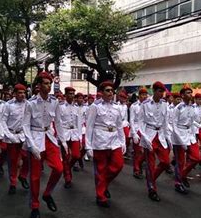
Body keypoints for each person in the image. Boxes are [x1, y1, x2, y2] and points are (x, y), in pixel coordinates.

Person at [23, 72, 67, 218]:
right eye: (46, 83)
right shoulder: (30, 103)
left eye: (50, 83)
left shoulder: (54, 102)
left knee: (59, 168)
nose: (49, 86)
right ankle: (35, 206)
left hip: (49, 137)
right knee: (35, 176)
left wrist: (63, 141)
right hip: (35, 138)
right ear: (39, 85)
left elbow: (59, 123)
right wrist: (31, 145)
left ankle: (47, 193)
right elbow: (25, 125)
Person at [85, 80, 126, 208]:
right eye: (107, 90)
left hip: (114, 140)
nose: (110, 93)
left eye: (112, 90)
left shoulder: (117, 107)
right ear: (101, 93)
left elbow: (119, 126)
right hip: (100, 140)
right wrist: (88, 146)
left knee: (118, 165)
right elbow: (89, 127)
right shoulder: (95, 107)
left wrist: (123, 141)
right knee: (101, 169)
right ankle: (100, 196)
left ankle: (103, 184)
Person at [138, 81, 171, 202]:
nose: (162, 94)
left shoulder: (164, 104)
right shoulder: (146, 104)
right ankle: (152, 188)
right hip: (150, 135)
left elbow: (166, 121)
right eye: (159, 91)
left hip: (160, 135)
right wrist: (144, 137)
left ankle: (151, 178)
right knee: (150, 164)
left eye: (163, 91)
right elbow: (140, 122)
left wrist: (168, 137)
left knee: (166, 162)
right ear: (154, 91)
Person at [171, 87, 201, 194]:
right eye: (188, 93)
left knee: (196, 158)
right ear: (182, 95)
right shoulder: (178, 108)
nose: (190, 94)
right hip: (179, 135)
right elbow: (174, 125)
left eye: (191, 92)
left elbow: (192, 121)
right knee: (180, 162)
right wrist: (180, 140)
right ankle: (177, 183)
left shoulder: (192, 107)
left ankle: (182, 175)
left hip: (189, 134)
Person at [0, 84, 29, 195]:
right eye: (20, 93)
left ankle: (23, 175)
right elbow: (3, 121)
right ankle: (13, 183)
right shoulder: (8, 105)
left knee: (27, 158)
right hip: (11, 135)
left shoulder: (28, 104)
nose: (22, 95)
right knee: (13, 161)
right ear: (15, 94)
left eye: (24, 93)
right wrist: (8, 135)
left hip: (24, 135)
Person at [57, 86, 83, 188]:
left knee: (76, 155)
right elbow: (58, 123)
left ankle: (66, 168)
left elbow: (79, 123)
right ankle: (67, 177)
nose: (72, 96)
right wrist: (60, 137)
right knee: (66, 156)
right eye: (70, 94)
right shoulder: (60, 107)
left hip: (75, 133)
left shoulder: (77, 108)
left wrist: (80, 138)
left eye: (73, 94)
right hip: (64, 133)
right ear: (65, 95)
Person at [129, 87, 148, 179]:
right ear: (139, 96)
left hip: (146, 130)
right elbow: (131, 120)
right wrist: (133, 133)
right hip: (137, 129)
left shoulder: (148, 105)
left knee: (147, 151)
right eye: (143, 95)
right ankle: (136, 170)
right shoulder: (134, 106)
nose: (144, 96)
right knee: (137, 151)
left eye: (146, 95)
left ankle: (139, 164)